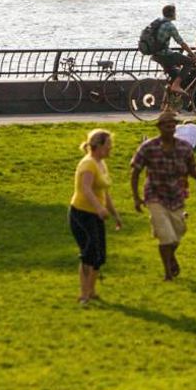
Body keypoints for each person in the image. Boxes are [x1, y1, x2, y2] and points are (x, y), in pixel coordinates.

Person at [131, 111, 196, 281]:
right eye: (167, 125)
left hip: (176, 196)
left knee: (178, 232)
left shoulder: (184, 147)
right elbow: (135, 171)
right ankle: (167, 272)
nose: (171, 128)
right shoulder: (148, 147)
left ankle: (171, 256)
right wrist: (136, 197)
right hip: (154, 195)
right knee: (166, 236)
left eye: (173, 125)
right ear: (159, 127)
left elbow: (191, 168)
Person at [69, 129, 123, 306]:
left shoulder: (101, 164)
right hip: (81, 214)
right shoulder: (88, 164)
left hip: (95, 214)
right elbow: (85, 189)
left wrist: (114, 214)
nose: (111, 148)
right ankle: (83, 295)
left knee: (100, 256)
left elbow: (104, 192)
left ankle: (91, 292)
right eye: (108, 145)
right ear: (98, 146)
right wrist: (99, 208)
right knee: (89, 253)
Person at [150, 4, 196, 94]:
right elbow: (181, 43)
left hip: (155, 55)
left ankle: (169, 103)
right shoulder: (170, 26)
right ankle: (176, 85)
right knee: (189, 62)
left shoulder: (158, 22)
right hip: (164, 55)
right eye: (175, 12)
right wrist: (193, 55)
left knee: (174, 74)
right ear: (171, 14)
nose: (176, 14)